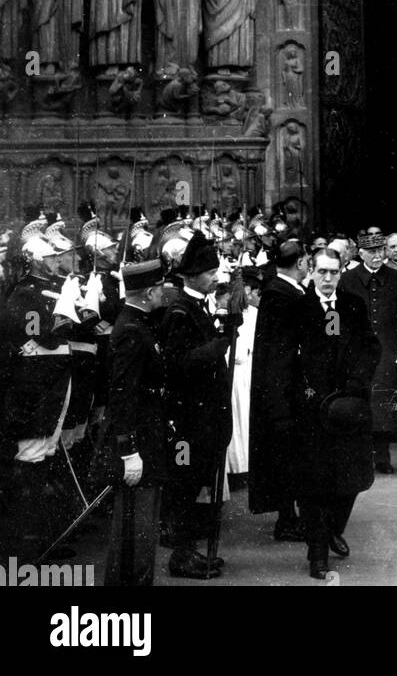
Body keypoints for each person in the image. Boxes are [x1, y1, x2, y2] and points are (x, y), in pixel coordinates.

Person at [297, 248, 380, 579]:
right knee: (315, 484)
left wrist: (357, 383)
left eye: (334, 272)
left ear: (342, 271)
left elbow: (370, 347)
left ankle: (333, 528)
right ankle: (317, 555)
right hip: (313, 413)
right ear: (312, 272)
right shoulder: (299, 308)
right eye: (322, 272)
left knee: (351, 480)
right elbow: (289, 358)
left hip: (349, 408)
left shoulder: (353, 305)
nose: (328, 278)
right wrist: (308, 393)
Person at [158, 231, 233, 580]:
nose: (216, 277)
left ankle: (189, 550)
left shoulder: (198, 305)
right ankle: (180, 556)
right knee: (184, 485)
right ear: (191, 276)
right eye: (210, 272)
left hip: (204, 417)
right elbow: (175, 364)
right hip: (186, 422)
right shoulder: (179, 312)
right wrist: (215, 347)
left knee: (196, 480)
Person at [0, 218, 76, 556]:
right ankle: (24, 545)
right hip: (34, 388)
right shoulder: (25, 293)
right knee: (30, 465)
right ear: (34, 260)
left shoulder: (47, 287)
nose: (55, 262)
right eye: (49, 258)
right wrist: (66, 312)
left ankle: (43, 539)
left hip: (53, 383)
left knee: (45, 458)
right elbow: (40, 334)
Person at [96, 259, 167, 586]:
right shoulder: (131, 331)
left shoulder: (139, 322)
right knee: (137, 527)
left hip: (147, 436)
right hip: (138, 442)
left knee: (139, 524)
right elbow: (122, 395)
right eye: (161, 288)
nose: (164, 292)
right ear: (150, 291)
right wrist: (128, 451)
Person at [340, 232, 397, 473]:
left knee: (383, 406)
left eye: (380, 251)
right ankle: (359, 457)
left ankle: (382, 457)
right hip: (356, 352)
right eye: (371, 252)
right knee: (358, 401)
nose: (377, 256)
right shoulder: (347, 280)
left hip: (388, 350)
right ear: (360, 254)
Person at [248, 239, 308, 541]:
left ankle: (291, 516)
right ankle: (287, 519)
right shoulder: (282, 295)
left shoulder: (283, 292)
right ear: (301, 262)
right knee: (286, 456)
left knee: (290, 456)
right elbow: (282, 354)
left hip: (284, 390)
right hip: (284, 392)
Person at [226, 266, 261, 482]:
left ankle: (245, 466)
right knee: (236, 417)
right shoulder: (230, 311)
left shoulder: (254, 314)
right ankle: (236, 467)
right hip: (237, 371)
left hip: (247, 370)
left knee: (244, 417)